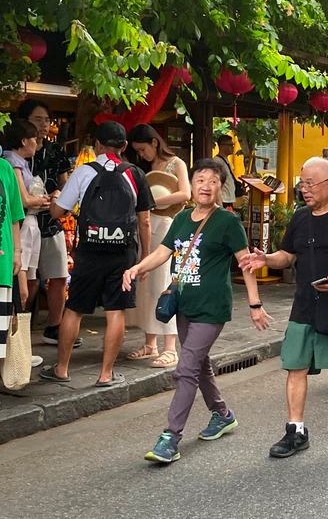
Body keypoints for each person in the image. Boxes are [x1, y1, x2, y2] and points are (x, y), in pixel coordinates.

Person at [122, 158, 271, 462]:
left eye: (213, 180)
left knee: (186, 368)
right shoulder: (181, 218)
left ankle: (170, 438)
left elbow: (246, 265)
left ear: (221, 188)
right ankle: (223, 414)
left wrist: (255, 305)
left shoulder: (227, 221)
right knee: (200, 365)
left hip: (212, 308)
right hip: (185, 306)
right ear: (191, 185)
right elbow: (163, 252)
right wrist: (137, 267)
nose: (206, 185)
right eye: (200, 179)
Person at [240, 157, 328, 457]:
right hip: (305, 304)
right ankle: (296, 431)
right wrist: (266, 259)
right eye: (302, 184)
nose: (304, 189)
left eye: (310, 184)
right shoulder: (301, 217)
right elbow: (287, 256)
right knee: (295, 365)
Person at [41, 121, 154, 387]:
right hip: (123, 254)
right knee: (116, 312)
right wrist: (145, 259)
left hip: (89, 253)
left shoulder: (83, 172)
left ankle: (62, 369)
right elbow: (145, 221)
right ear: (125, 147)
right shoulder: (135, 173)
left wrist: (55, 198)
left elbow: (58, 213)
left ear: (97, 146)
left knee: (75, 309)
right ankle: (106, 375)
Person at [125, 124, 191, 368]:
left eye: (143, 149)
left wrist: (151, 202)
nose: (141, 155)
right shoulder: (144, 168)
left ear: (154, 142)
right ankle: (150, 342)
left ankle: (170, 347)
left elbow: (185, 193)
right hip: (145, 227)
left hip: (167, 225)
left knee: (164, 283)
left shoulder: (177, 163)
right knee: (147, 285)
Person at [17, 99, 73, 348]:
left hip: (50, 219)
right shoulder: (15, 153)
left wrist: (59, 197)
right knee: (26, 277)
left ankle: (54, 325)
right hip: (24, 221)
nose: (43, 125)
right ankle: (21, 329)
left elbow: (64, 182)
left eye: (46, 120)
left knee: (59, 273)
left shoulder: (55, 150)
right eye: (37, 120)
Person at [2, 120, 47, 310]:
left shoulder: (22, 163)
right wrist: (46, 201)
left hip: (30, 220)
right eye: (34, 139)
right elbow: (23, 200)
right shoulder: (11, 163)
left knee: (30, 276)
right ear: (23, 141)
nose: (37, 143)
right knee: (22, 283)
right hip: (21, 221)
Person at [0, 156, 24, 364]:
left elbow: (15, 215)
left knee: (0, 337)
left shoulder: (5, 168)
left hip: (3, 261)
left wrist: (17, 251)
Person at [214, 135, 240, 209]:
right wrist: (219, 201)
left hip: (228, 198)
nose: (232, 147)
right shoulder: (217, 161)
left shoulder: (225, 160)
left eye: (233, 145)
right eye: (229, 145)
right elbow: (216, 181)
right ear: (222, 146)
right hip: (223, 199)